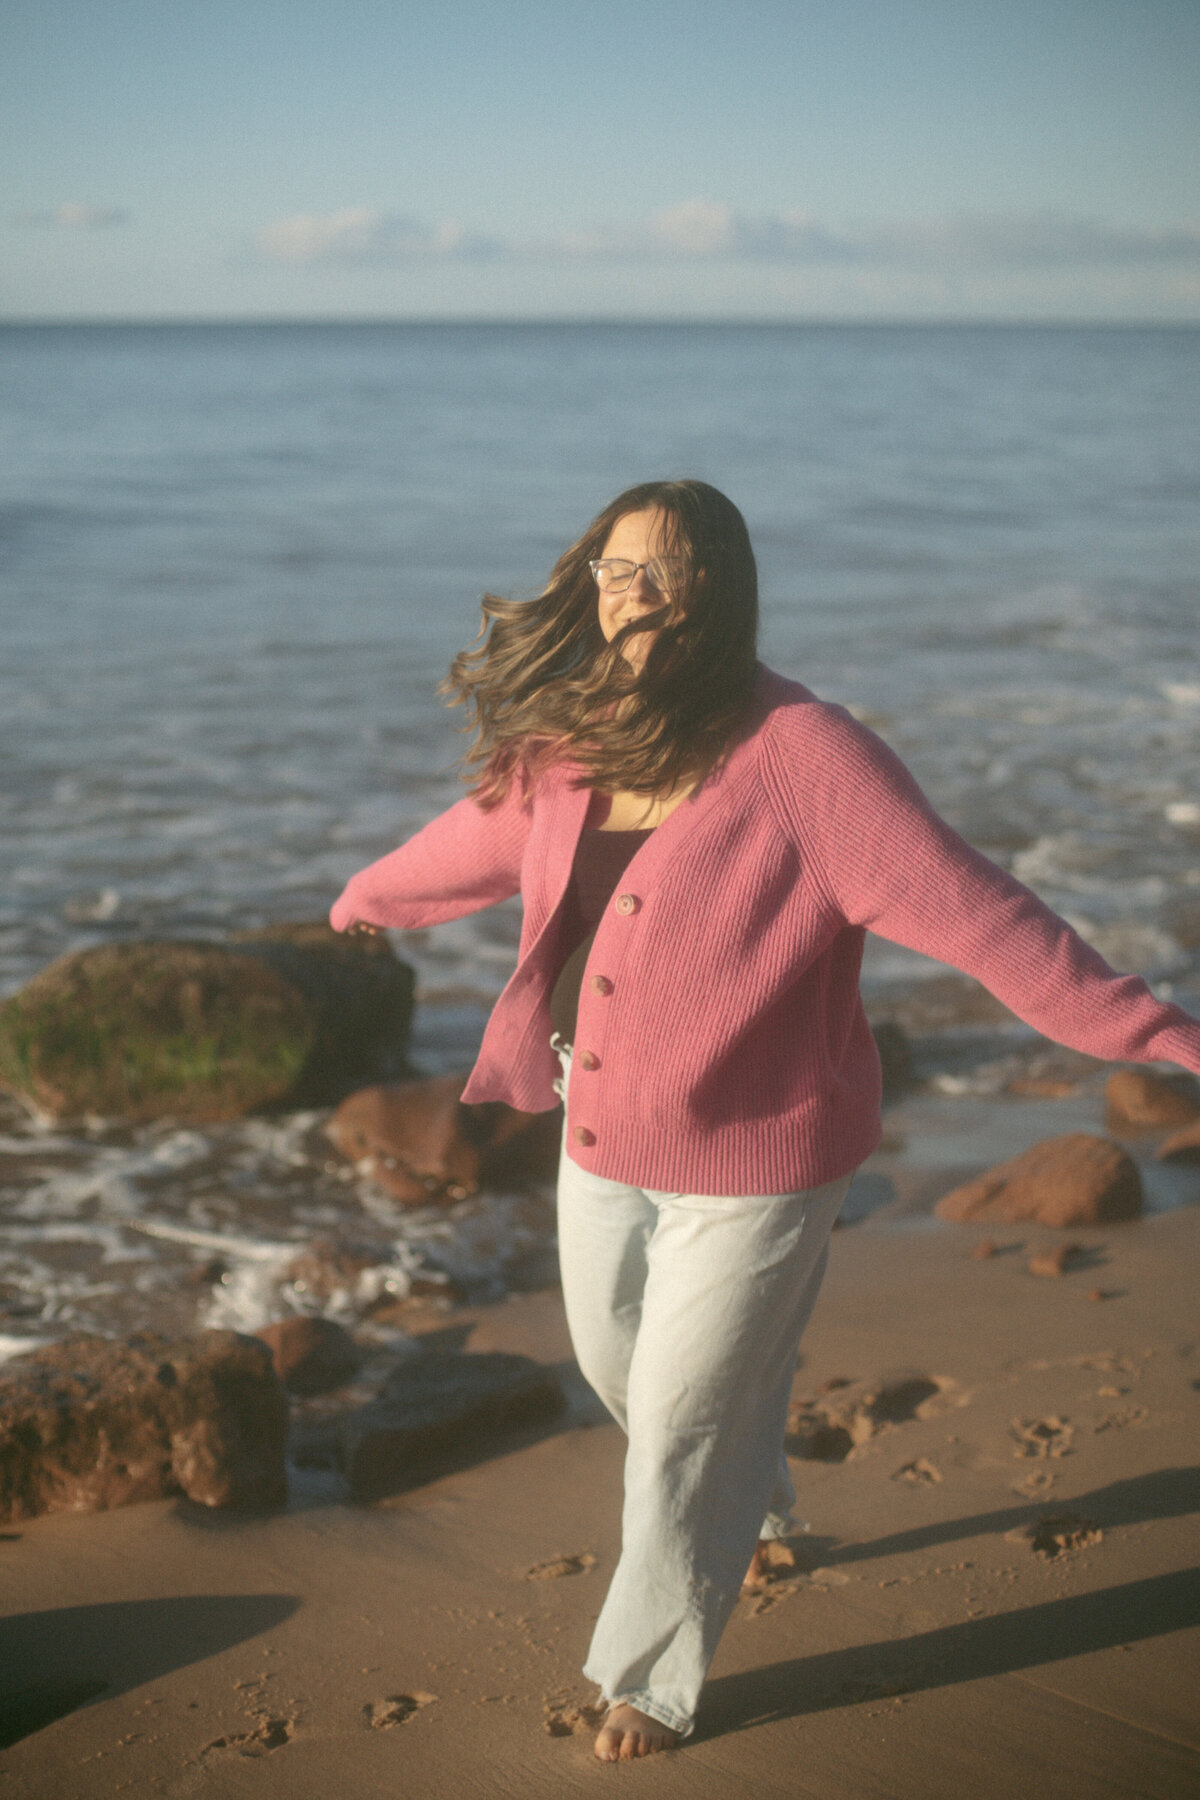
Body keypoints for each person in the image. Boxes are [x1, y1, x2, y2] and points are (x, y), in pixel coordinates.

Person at [330, 478, 1200, 1761]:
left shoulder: (810, 758)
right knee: (616, 1365)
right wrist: (364, 898)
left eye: (661, 569)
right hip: (599, 1131)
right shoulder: (579, 737)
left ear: (718, 588)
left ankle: (650, 1675)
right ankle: (759, 1484)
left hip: (761, 1163)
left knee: (681, 1418)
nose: (630, 592)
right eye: (613, 568)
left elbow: (988, 918)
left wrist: (1166, 1035)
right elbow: (476, 840)